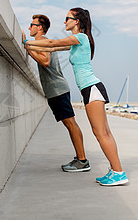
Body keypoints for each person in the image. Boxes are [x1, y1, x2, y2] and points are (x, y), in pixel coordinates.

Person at [23, 8, 128, 186]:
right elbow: (53, 45)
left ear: (76, 21)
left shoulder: (80, 38)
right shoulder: (76, 41)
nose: (64, 22)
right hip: (91, 89)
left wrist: (25, 41)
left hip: (92, 88)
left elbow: (50, 44)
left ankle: (119, 172)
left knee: (101, 134)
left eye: (67, 19)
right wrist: (29, 44)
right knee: (105, 133)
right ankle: (115, 170)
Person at [22, 14, 90, 172]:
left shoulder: (40, 40)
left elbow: (45, 61)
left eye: (32, 25)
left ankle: (82, 160)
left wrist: (26, 44)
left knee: (71, 124)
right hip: (56, 89)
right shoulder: (40, 41)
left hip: (57, 89)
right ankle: (80, 158)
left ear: (40, 28)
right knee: (70, 124)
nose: (29, 28)